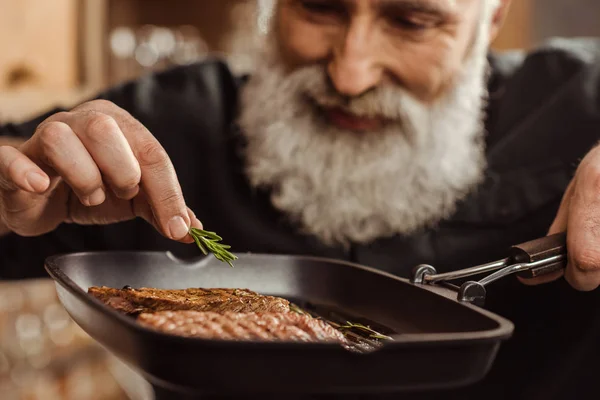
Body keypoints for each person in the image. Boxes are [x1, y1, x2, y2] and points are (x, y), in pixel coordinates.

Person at [0, 0, 599, 398]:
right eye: (319, 5)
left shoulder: (580, 105)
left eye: (413, 21)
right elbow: (18, 170)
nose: (351, 73)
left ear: (491, 19)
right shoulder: (172, 123)